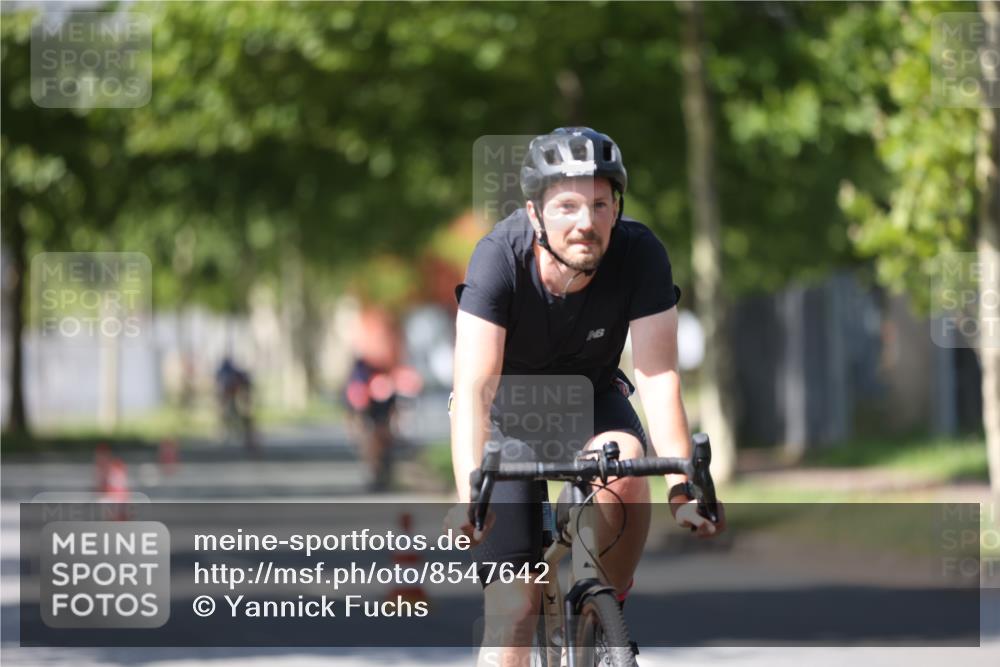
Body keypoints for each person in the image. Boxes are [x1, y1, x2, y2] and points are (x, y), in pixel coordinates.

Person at [444, 128, 726, 665]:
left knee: (627, 463)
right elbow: (476, 389)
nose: (586, 222)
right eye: (568, 205)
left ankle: (602, 617)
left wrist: (681, 489)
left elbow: (658, 374)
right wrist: (468, 499)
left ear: (617, 207)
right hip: (503, 414)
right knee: (514, 610)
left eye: (600, 203)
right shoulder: (498, 259)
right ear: (535, 213)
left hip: (590, 397)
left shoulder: (639, 254)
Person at [343, 306, 423, 491]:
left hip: (386, 390)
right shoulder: (364, 358)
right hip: (367, 391)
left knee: (384, 430)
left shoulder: (392, 335)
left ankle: (383, 466)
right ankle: (375, 467)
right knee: (371, 432)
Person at [215, 356, 257, 454]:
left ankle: (247, 436)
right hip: (231, 391)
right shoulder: (225, 379)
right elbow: (222, 396)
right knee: (227, 412)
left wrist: (246, 404)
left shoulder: (239, 378)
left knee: (244, 414)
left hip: (239, 390)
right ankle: (227, 432)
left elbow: (245, 395)